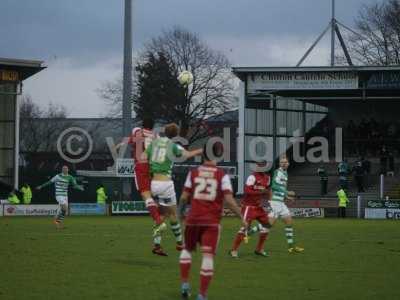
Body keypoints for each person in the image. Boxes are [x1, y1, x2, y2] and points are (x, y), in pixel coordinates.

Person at [178, 142, 246, 300]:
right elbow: (229, 200)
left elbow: (183, 197)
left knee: (186, 250)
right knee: (207, 256)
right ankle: (201, 295)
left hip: (193, 219)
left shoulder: (193, 173)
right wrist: (241, 217)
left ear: (203, 154)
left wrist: (180, 214)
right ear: (217, 155)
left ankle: (185, 285)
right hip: (211, 222)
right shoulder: (222, 175)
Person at [144, 123, 203, 256]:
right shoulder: (173, 145)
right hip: (166, 184)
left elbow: (143, 157)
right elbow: (187, 155)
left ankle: (157, 245)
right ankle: (179, 243)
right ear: (175, 135)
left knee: (161, 215)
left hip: (154, 183)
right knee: (173, 215)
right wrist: (200, 151)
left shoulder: (154, 143)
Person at [115, 117, 165, 234]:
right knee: (151, 194)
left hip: (141, 166)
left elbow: (128, 140)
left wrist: (118, 145)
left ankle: (158, 219)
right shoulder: (156, 135)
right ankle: (159, 214)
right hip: (154, 167)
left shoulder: (139, 134)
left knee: (145, 194)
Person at [230, 161, 272, 258]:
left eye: (262, 166)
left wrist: (270, 201)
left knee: (267, 226)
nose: (260, 167)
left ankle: (259, 249)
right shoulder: (252, 177)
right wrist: (260, 192)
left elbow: (268, 191)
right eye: (259, 165)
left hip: (258, 207)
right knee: (244, 228)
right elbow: (247, 190)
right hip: (248, 207)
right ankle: (234, 250)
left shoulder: (267, 178)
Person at [269, 156, 304, 253]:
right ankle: (248, 233)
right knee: (268, 224)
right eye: (281, 162)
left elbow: (280, 187)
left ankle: (291, 247)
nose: (283, 164)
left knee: (289, 222)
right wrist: (287, 192)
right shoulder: (278, 172)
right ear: (280, 164)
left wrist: (287, 196)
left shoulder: (285, 173)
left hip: (281, 202)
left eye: (285, 162)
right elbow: (274, 186)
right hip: (275, 202)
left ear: (288, 164)